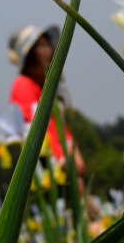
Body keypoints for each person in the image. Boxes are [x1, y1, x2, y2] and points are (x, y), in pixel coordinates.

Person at [8, 25, 86, 180]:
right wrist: (64, 161)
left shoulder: (47, 90)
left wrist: (75, 156)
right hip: (48, 171)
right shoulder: (23, 84)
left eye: (48, 44)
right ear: (29, 55)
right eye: (42, 46)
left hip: (64, 169)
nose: (50, 50)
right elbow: (36, 129)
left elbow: (63, 131)